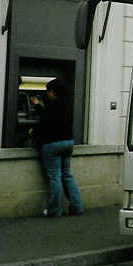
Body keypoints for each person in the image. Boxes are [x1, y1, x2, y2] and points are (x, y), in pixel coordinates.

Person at [37, 79, 84, 217]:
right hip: (68, 142)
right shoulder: (67, 105)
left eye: (48, 91)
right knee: (67, 175)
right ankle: (77, 206)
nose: (47, 94)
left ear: (53, 92)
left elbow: (43, 124)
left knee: (55, 177)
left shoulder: (51, 105)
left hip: (53, 144)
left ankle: (54, 210)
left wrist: (38, 107)